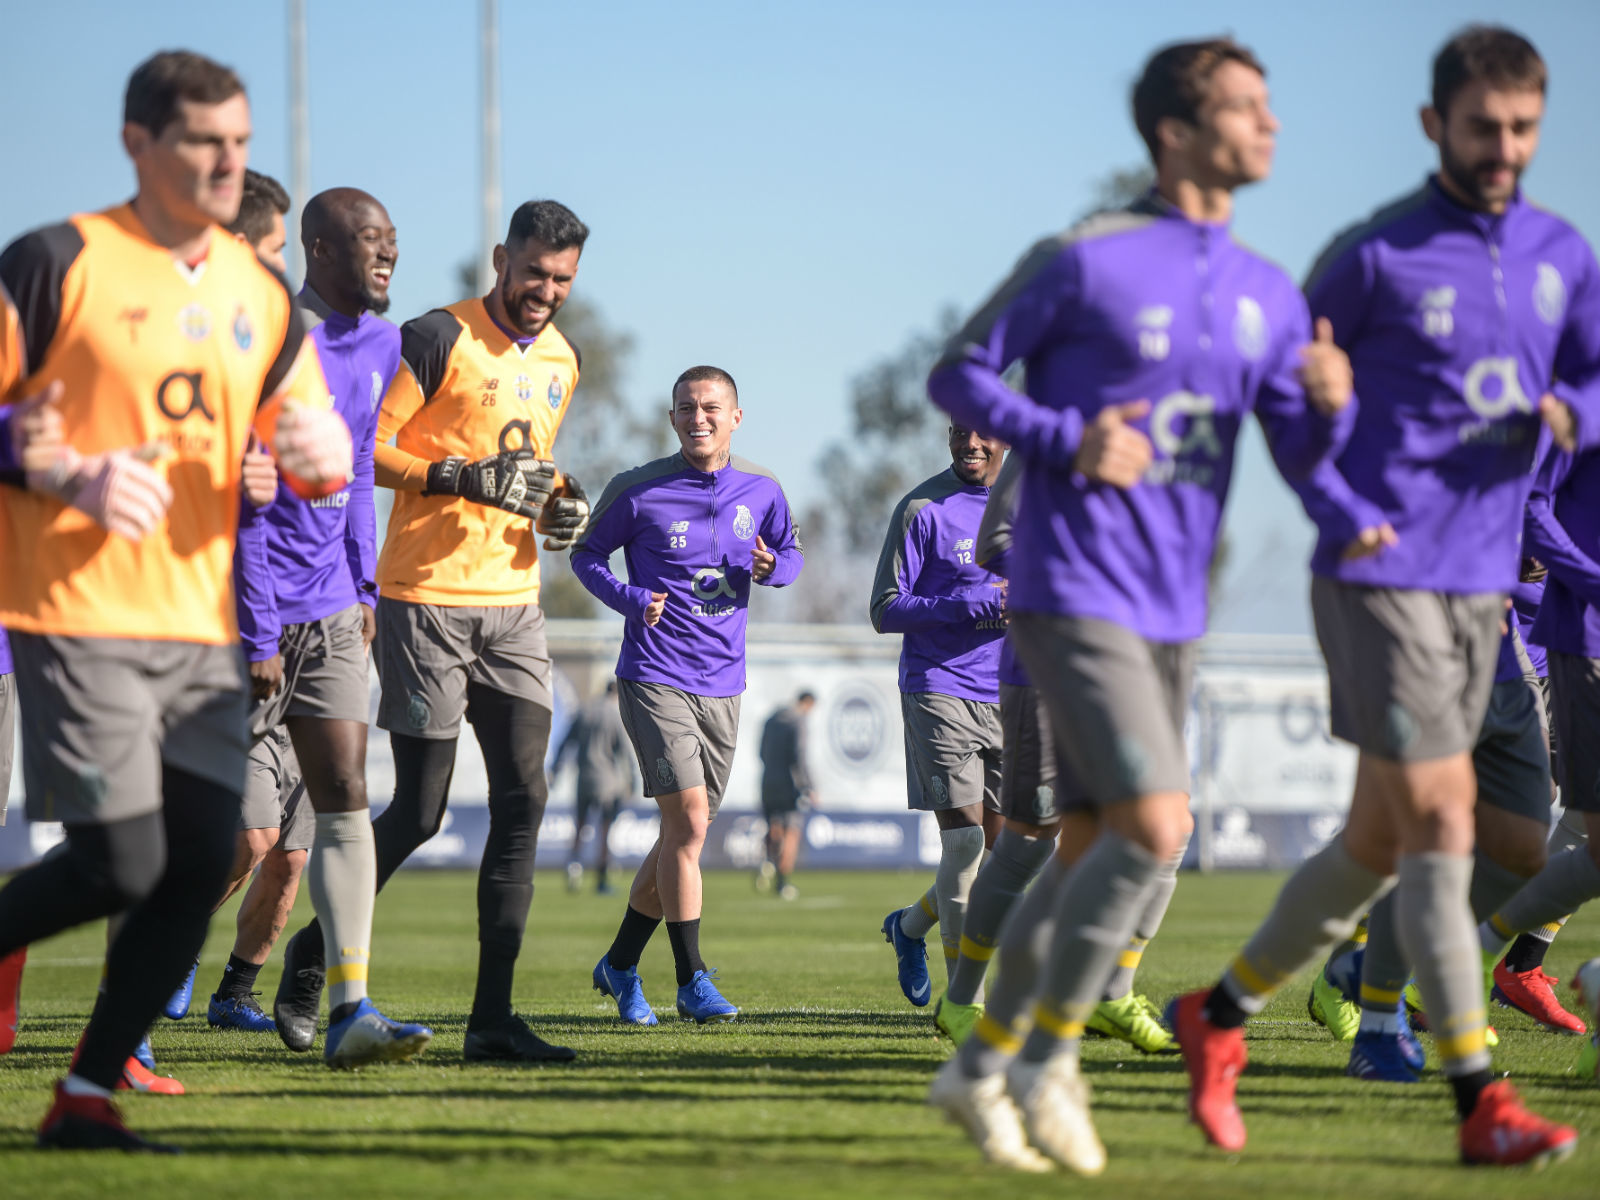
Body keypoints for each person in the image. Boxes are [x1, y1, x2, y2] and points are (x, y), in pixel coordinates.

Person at [924, 36, 1352, 1175]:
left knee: (1092, 855)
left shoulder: (1266, 291)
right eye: (1244, 106)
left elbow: (1305, 461)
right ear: (1175, 132)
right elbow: (959, 373)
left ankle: (984, 1066)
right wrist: (1064, 437)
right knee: (1158, 831)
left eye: (1268, 104)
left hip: (1174, 608)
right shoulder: (1086, 258)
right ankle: (1042, 1060)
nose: (1269, 123)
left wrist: (1335, 415)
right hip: (1070, 587)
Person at [1169, 26, 1594, 1168]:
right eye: (1482, 127)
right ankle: (1478, 1097)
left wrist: (1578, 413)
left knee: (1442, 840)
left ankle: (1219, 1012)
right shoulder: (1371, 257)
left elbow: (1594, 373)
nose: (1504, 148)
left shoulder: (1562, 254)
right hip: (1379, 573)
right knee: (1442, 826)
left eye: (1522, 128)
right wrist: (1333, 482)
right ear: (1433, 125)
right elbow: (1287, 407)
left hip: (1485, 600)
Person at [0, 49, 351, 1151]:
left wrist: (318, 458)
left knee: (200, 859)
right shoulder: (57, 262)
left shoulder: (260, 294)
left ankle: (85, 1096)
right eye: (203, 140)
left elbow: (309, 445)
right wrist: (62, 470)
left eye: (238, 141)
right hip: (74, 609)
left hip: (199, 625)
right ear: (138, 145)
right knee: (123, 861)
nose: (225, 160)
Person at [276, 199, 592, 1064]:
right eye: (535, 273)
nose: (547, 291)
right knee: (419, 813)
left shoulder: (563, 358)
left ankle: (491, 1021)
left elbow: (534, 465)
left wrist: (562, 505)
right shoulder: (434, 336)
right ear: (501, 259)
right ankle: (313, 954)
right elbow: (364, 449)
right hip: (425, 600)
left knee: (525, 799)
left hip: (515, 602)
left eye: (563, 279)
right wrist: (459, 476)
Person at [188, 182, 427, 1069]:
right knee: (218, 834)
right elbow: (242, 505)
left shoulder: (385, 344)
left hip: (331, 611)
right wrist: (257, 634)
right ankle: (128, 1008)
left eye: (392, 237)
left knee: (345, 801)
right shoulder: (267, 340)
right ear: (318, 249)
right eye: (369, 238)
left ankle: (351, 1008)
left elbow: (359, 467)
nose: (387, 251)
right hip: (248, 619)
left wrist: (363, 587)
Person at [578, 365, 803, 1025]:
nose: (697, 418)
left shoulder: (762, 489)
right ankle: (691, 980)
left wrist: (773, 567)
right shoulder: (637, 489)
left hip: (724, 685)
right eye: (685, 408)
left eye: (710, 408)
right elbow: (586, 555)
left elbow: (790, 554)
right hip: (654, 674)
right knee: (691, 824)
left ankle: (620, 964)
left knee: (684, 835)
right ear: (672, 418)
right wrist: (629, 598)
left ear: (736, 417)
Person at [934, 457, 1176, 1056]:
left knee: (1169, 830)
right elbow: (996, 542)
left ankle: (1111, 993)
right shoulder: (1050, 432)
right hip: (1047, 662)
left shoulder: (1174, 433)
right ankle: (963, 999)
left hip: (1140, 659)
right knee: (1029, 840)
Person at [872, 424, 1007, 1009]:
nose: (970, 442)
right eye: (959, 430)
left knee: (1007, 858)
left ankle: (909, 927)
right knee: (965, 844)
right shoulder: (922, 508)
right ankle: (966, 1004)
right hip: (940, 687)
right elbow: (884, 608)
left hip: (1015, 693)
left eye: (984, 430)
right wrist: (970, 603)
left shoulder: (1036, 503)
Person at [553, 679, 635, 895]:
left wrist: (555, 770)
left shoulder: (583, 712)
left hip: (583, 780)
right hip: (608, 782)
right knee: (605, 831)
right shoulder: (615, 715)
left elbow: (565, 743)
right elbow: (626, 753)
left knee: (580, 828)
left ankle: (573, 871)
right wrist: (633, 782)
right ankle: (602, 879)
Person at [757, 690, 817, 900]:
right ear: (808, 703)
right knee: (792, 832)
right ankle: (782, 883)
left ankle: (768, 861)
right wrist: (809, 786)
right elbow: (799, 756)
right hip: (790, 784)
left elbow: (761, 753)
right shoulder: (798, 722)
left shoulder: (771, 720)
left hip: (767, 781)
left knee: (774, 828)